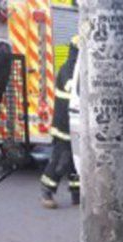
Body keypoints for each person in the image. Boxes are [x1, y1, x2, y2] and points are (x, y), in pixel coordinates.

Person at [40, 36, 79, 208]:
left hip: (75, 123)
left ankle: (77, 195)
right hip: (64, 125)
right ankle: (46, 190)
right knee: (61, 159)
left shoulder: (78, 68)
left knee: (76, 161)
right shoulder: (68, 70)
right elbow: (75, 90)